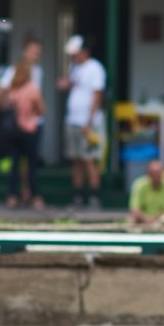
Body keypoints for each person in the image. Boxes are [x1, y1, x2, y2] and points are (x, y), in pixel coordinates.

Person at [57, 34, 106, 208]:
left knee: (89, 160)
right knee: (75, 159)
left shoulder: (95, 68)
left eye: (76, 53)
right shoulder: (74, 68)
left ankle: (94, 197)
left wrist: (89, 121)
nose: (73, 56)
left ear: (85, 51)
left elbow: (97, 95)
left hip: (88, 123)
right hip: (72, 120)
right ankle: (77, 197)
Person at [1, 50, 45, 210]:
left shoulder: (12, 90)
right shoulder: (32, 89)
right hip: (30, 131)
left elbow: (4, 105)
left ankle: (12, 196)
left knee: (15, 164)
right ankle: (34, 196)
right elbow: (41, 110)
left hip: (13, 132)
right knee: (31, 165)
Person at [128, 159, 164, 226]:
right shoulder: (139, 184)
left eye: (159, 173)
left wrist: (152, 218)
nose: (156, 176)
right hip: (143, 219)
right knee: (132, 219)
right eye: (153, 174)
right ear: (148, 174)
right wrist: (146, 218)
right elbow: (135, 208)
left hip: (162, 219)